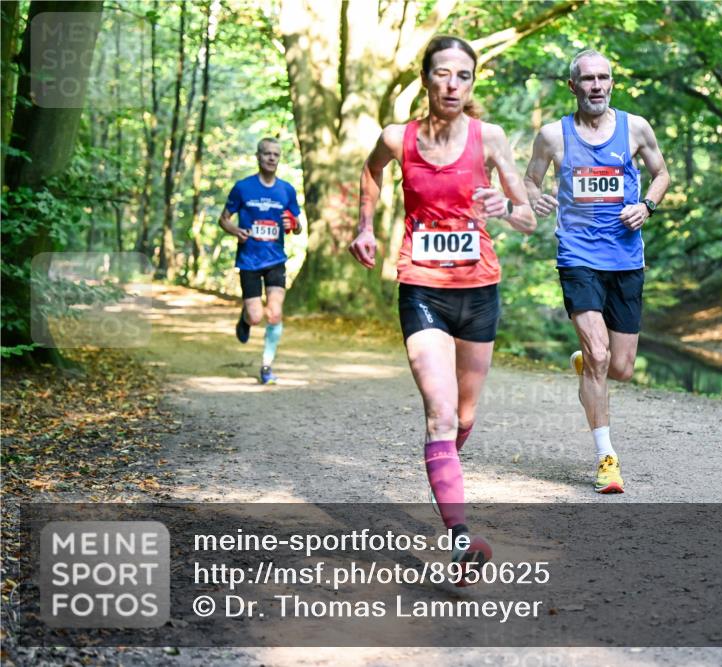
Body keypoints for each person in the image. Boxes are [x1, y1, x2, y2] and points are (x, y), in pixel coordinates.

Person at [348, 35, 535, 584]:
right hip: (421, 288)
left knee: (465, 418)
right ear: (425, 79)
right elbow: (369, 172)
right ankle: (459, 542)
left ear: (472, 83)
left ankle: (441, 466)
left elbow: (525, 215)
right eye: (443, 74)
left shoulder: (491, 138)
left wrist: (507, 207)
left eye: (464, 76)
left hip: (479, 291)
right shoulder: (396, 137)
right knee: (442, 414)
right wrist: (364, 226)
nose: (453, 85)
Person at [524, 49, 670, 494]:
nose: (596, 86)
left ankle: (586, 363)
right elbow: (530, 180)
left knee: (620, 368)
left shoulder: (636, 128)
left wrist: (646, 206)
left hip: (626, 260)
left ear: (612, 83)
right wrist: (534, 198)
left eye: (603, 77)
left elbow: (661, 174)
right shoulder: (553, 136)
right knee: (601, 356)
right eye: (587, 79)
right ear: (573, 86)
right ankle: (607, 459)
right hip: (578, 257)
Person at [219, 137, 303, 385]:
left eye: (276, 155)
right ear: (258, 156)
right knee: (256, 317)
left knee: (274, 314)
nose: (271, 158)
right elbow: (223, 219)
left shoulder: (286, 190)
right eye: (266, 153)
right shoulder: (243, 188)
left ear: (279, 158)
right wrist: (236, 231)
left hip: (275, 259)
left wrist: (294, 224)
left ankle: (267, 367)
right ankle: (245, 316)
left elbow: (297, 226)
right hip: (249, 261)